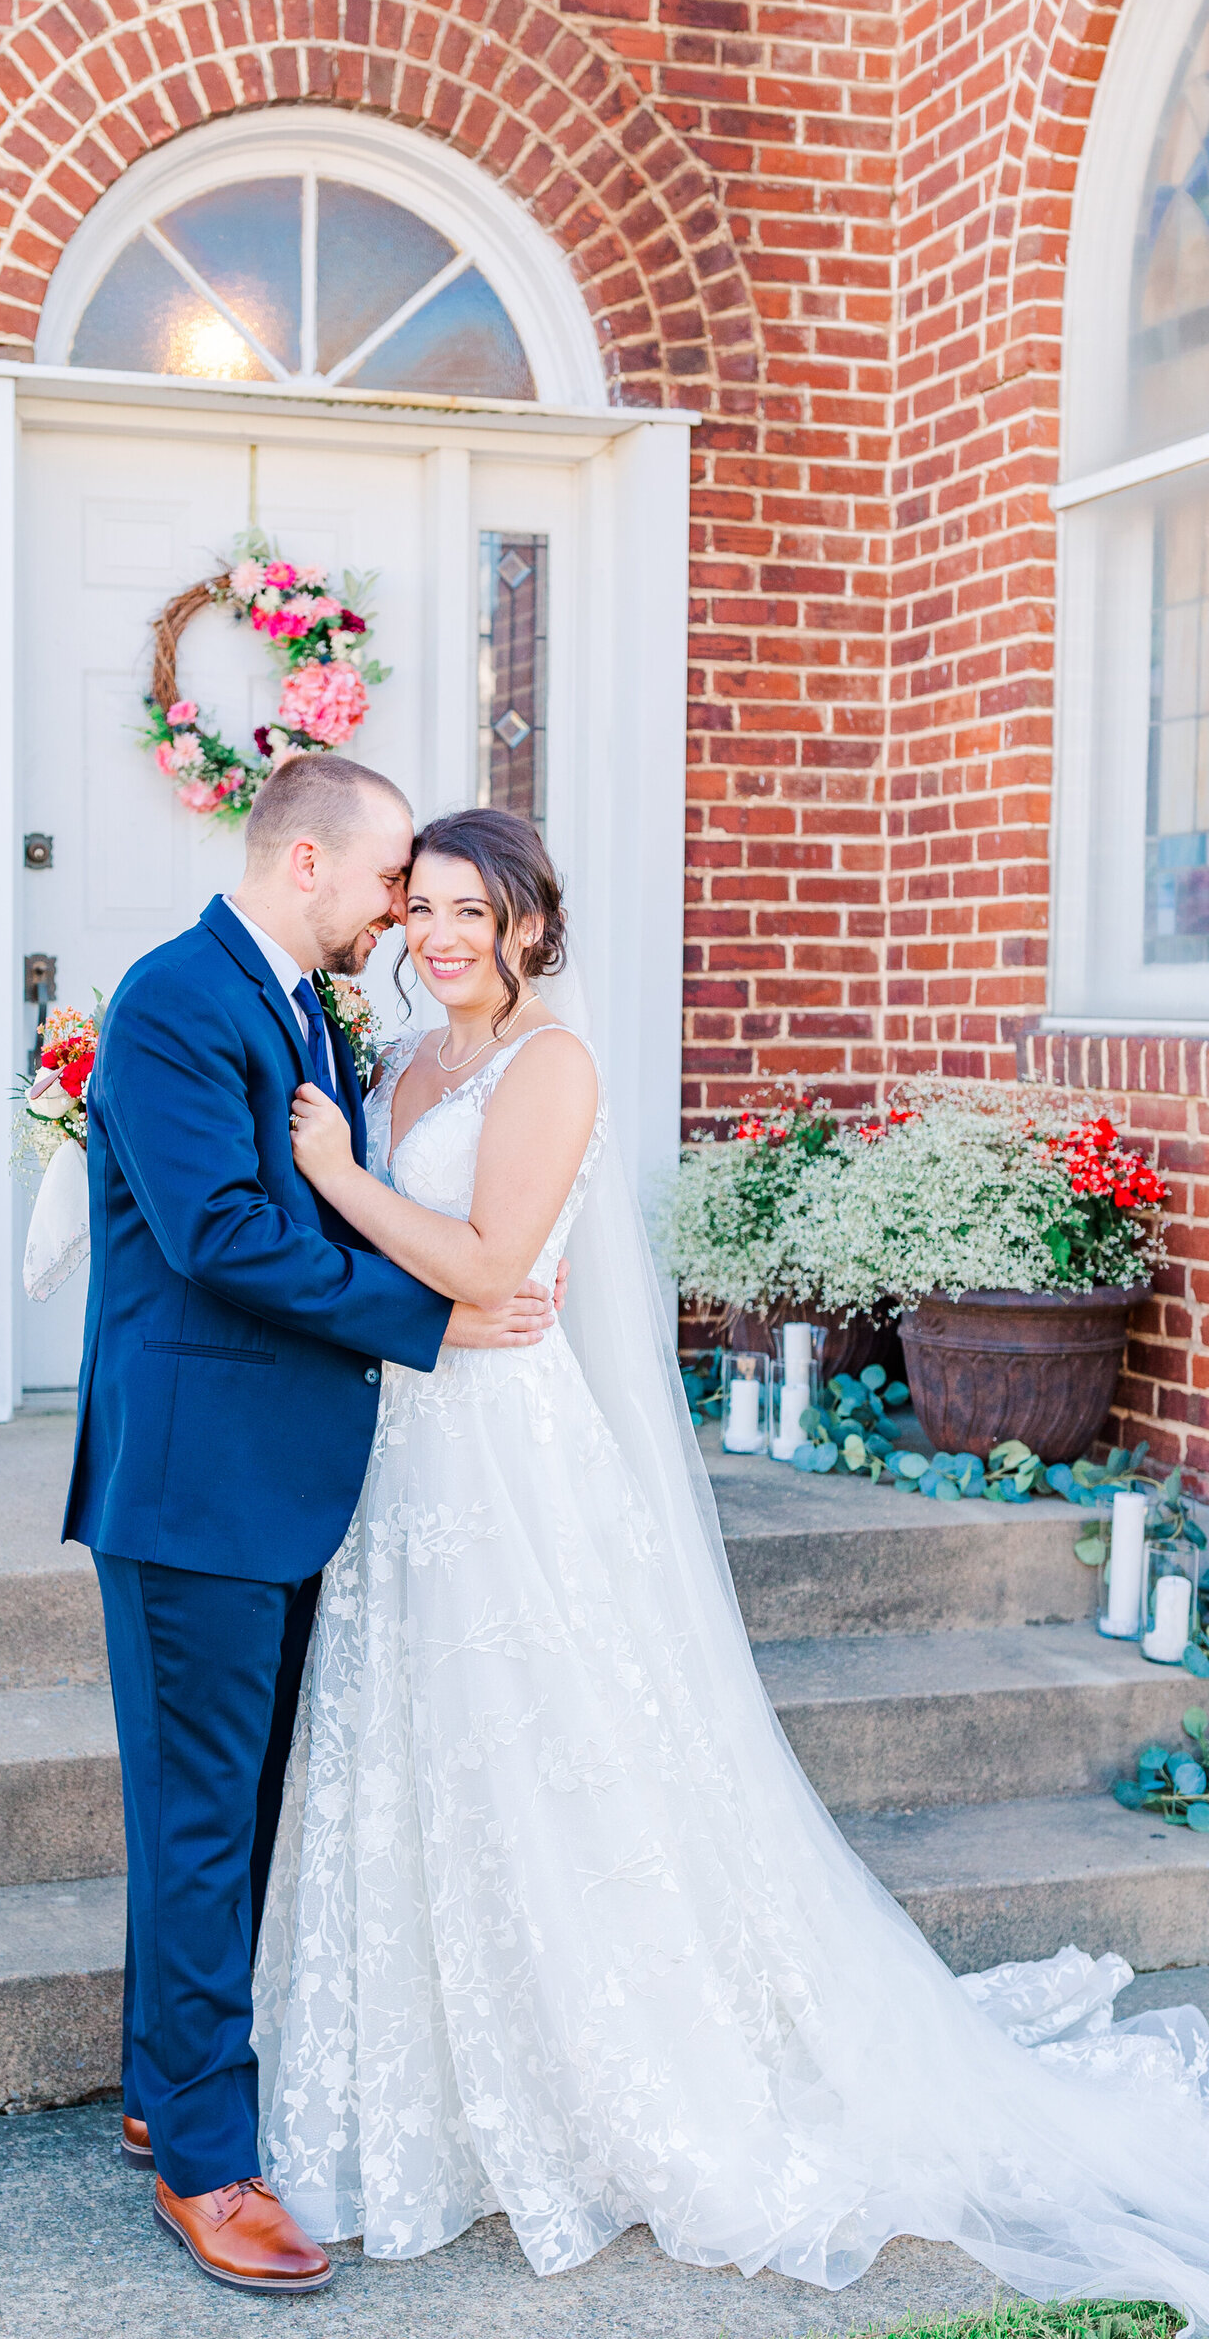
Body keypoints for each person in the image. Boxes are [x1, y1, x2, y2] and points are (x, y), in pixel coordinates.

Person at [257, 804, 1209, 2322]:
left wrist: (336, 1173)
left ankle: (626, 2081)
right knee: (426, 1753)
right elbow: (421, 1265)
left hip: (507, 1453)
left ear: (529, 927)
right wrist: (356, 1179)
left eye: (468, 912)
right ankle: (442, 2079)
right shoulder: (406, 1062)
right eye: (420, 908)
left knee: (555, 1752)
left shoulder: (549, 1063)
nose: (437, 936)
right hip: (408, 1441)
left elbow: (496, 1265)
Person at [59, 755, 565, 2298]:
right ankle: (211, 2168)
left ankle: (166, 2092)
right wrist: (437, 1318)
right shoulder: (176, 1000)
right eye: (389, 880)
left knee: (237, 1806)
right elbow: (218, 1238)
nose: (399, 909)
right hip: (194, 1484)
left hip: (277, 1481)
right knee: (204, 1820)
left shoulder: (297, 1002)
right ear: (308, 867)